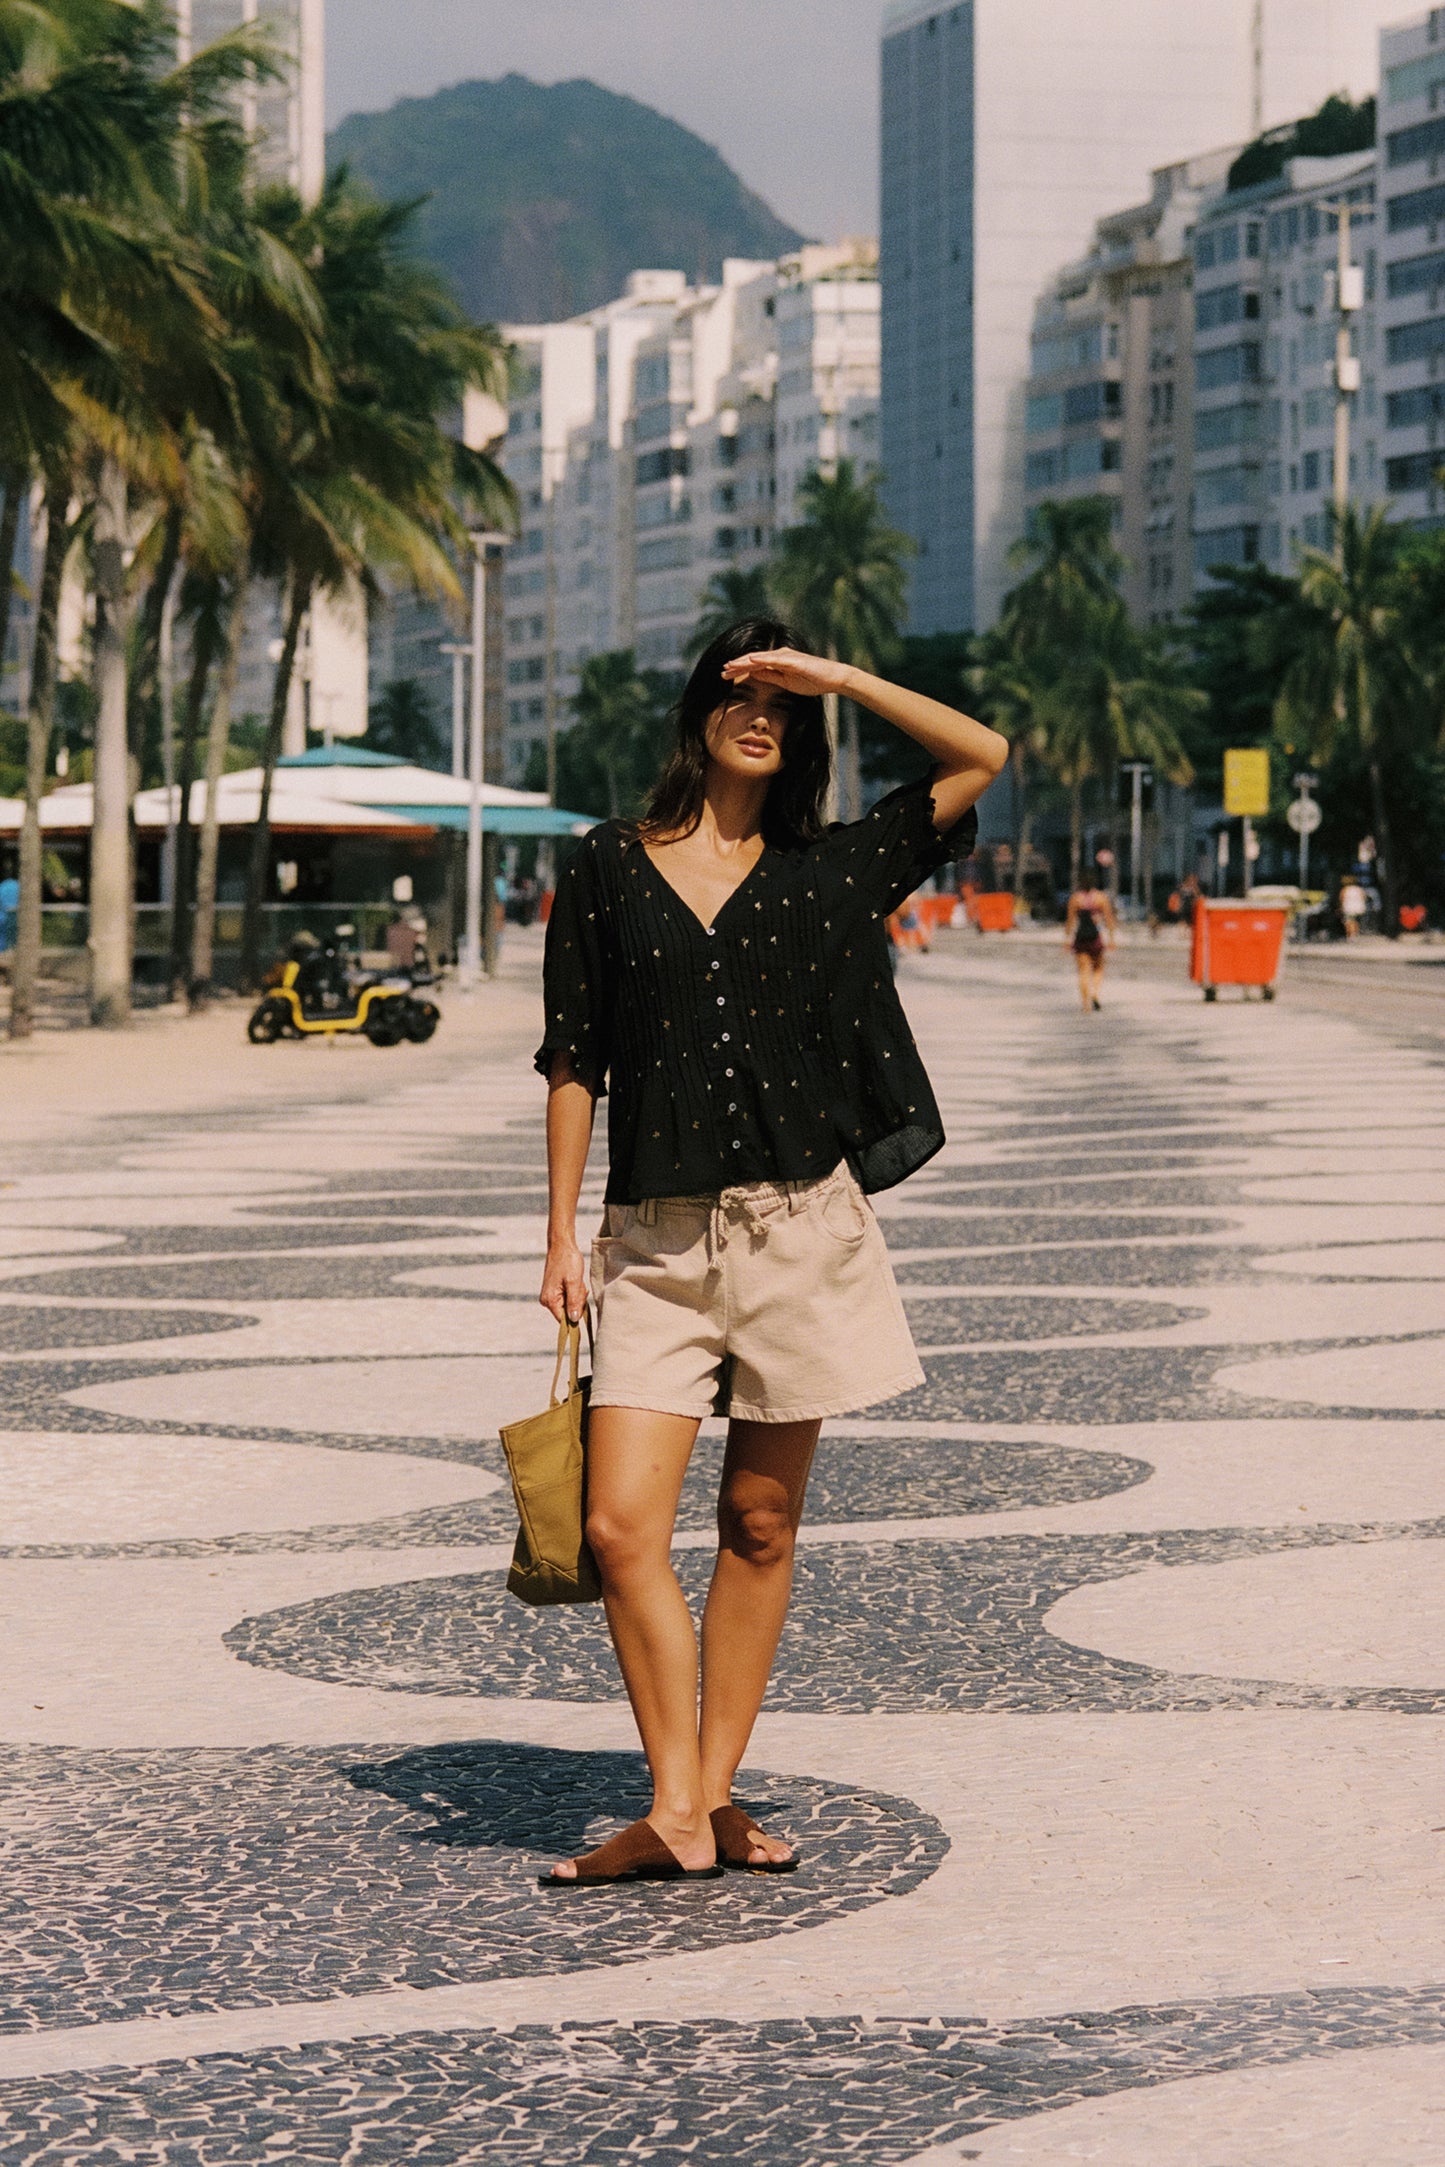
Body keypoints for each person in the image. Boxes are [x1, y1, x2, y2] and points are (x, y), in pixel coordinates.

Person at [535, 617, 1008, 1885]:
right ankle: (684, 1800)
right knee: (622, 1524)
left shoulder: (831, 870)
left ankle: (697, 1801)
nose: (764, 717)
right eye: (743, 691)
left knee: (757, 1520)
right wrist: (560, 1234)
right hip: (651, 1238)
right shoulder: (603, 866)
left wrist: (838, 679)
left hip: (798, 1229)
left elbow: (981, 754)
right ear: (697, 710)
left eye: (784, 707)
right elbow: (573, 1055)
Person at [1064, 877, 1116, 1011]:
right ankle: (1095, 993)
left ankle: (1085, 1003)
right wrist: (1111, 939)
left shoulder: (1075, 898)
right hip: (1095, 938)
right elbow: (1109, 918)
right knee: (1098, 968)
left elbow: (1070, 921)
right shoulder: (1101, 898)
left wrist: (1067, 940)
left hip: (1080, 938)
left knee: (1083, 971)